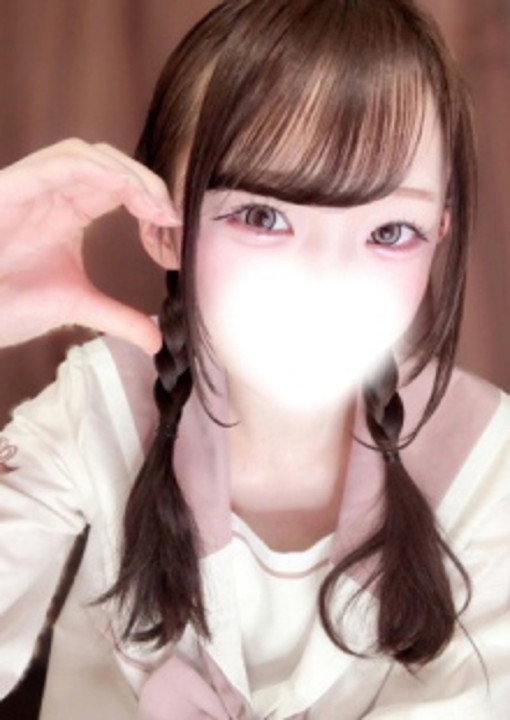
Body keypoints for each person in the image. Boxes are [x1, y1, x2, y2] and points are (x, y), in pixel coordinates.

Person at [0, 0, 509, 717]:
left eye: (391, 230)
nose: (327, 282)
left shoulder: (488, 464)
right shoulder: (100, 407)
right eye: (264, 216)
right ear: (163, 227)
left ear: (440, 235)